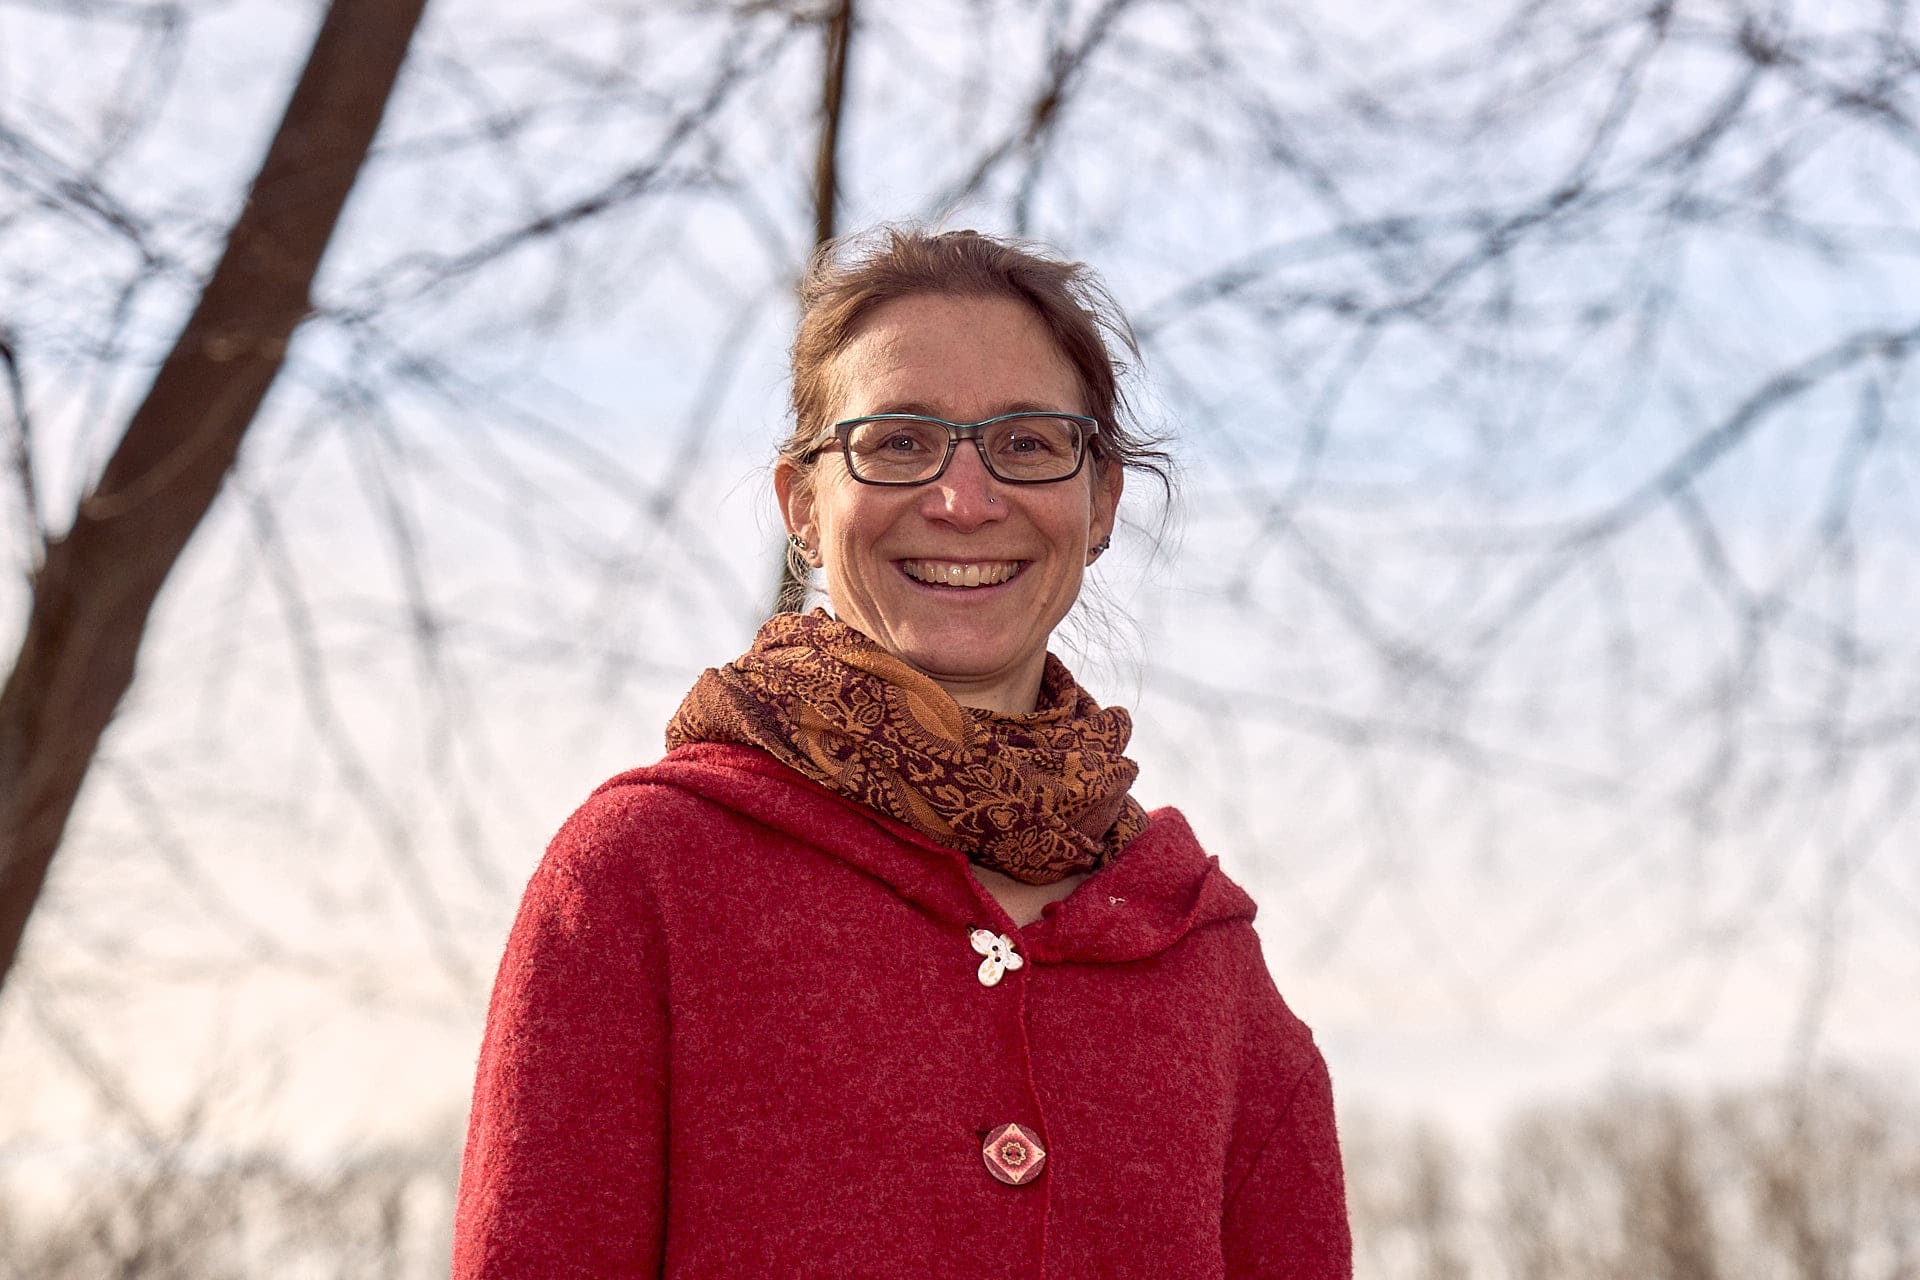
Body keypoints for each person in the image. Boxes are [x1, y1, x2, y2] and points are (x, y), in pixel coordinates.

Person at [452, 228, 1352, 1278]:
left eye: (1026, 443)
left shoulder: (1207, 958)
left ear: (1100, 502)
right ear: (803, 505)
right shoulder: (636, 876)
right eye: (897, 441)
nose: (964, 500)